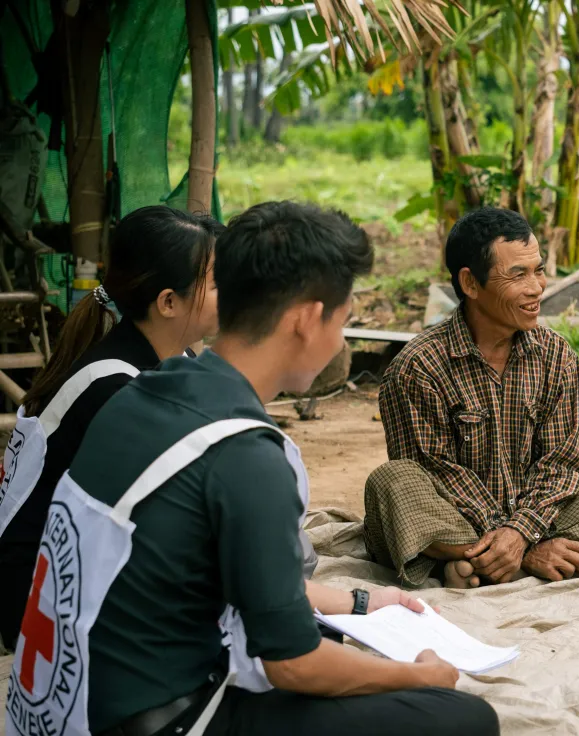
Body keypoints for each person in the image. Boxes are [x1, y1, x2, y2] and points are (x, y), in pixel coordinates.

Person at [5, 201, 498, 736]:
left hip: (52, 709)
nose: (341, 342)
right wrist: (412, 674)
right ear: (308, 319)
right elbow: (292, 663)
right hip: (153, 721)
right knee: (464, 719)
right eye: (344, 320)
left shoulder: (140, 390)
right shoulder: (247, 453)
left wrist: (360, 602)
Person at [366, 206, 579, 589]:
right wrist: (526, 545)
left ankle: (472, 564)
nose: (537, 288)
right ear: (470, 284)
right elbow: (436, 473)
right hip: (454, 520)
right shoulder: (418, 366)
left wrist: (520, 532)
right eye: (518, 274)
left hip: (531, 520)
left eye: (539, 270)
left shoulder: (555, 355)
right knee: (392, 482)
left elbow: (559, 466)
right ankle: (509, 559)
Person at [0, 205, 221, 649]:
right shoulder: (118, 388)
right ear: (168, 302)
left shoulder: (170, 357)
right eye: (217, 283)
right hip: (34, 602)